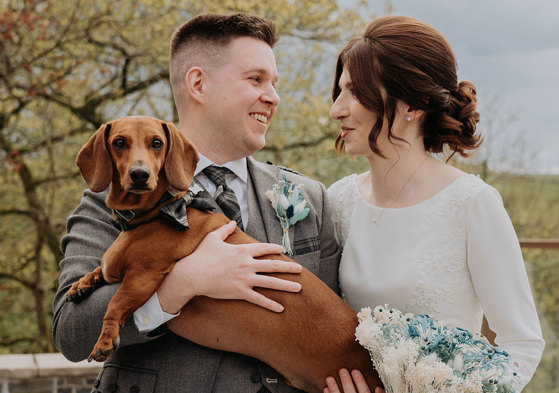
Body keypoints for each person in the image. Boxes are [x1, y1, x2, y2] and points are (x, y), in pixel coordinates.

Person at [52, 13, 343, 393]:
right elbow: (70, 332)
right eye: (255, 79)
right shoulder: (111, 200)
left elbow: (332, 324)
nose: (273, 96)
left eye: (274, 83)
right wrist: (183, 283)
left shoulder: (310, 197)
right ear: (198, 84)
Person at [324, 15, 544, 393]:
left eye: (356, 92)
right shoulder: (338, 201)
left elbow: (521, 343)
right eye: (339, 91)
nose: (337, 110)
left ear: (414, 104)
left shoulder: (472, 204)